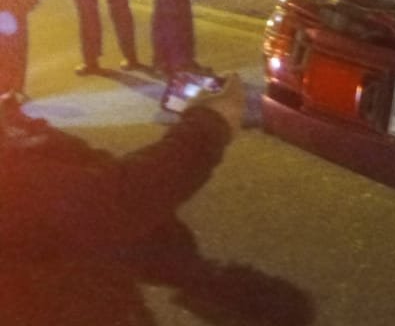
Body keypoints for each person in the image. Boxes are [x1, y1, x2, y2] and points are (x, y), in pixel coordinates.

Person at [0, 76, 312, 326]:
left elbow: (95, 183)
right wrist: (210, 125)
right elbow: (106, 199)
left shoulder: (12, 129)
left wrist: (194, 273)